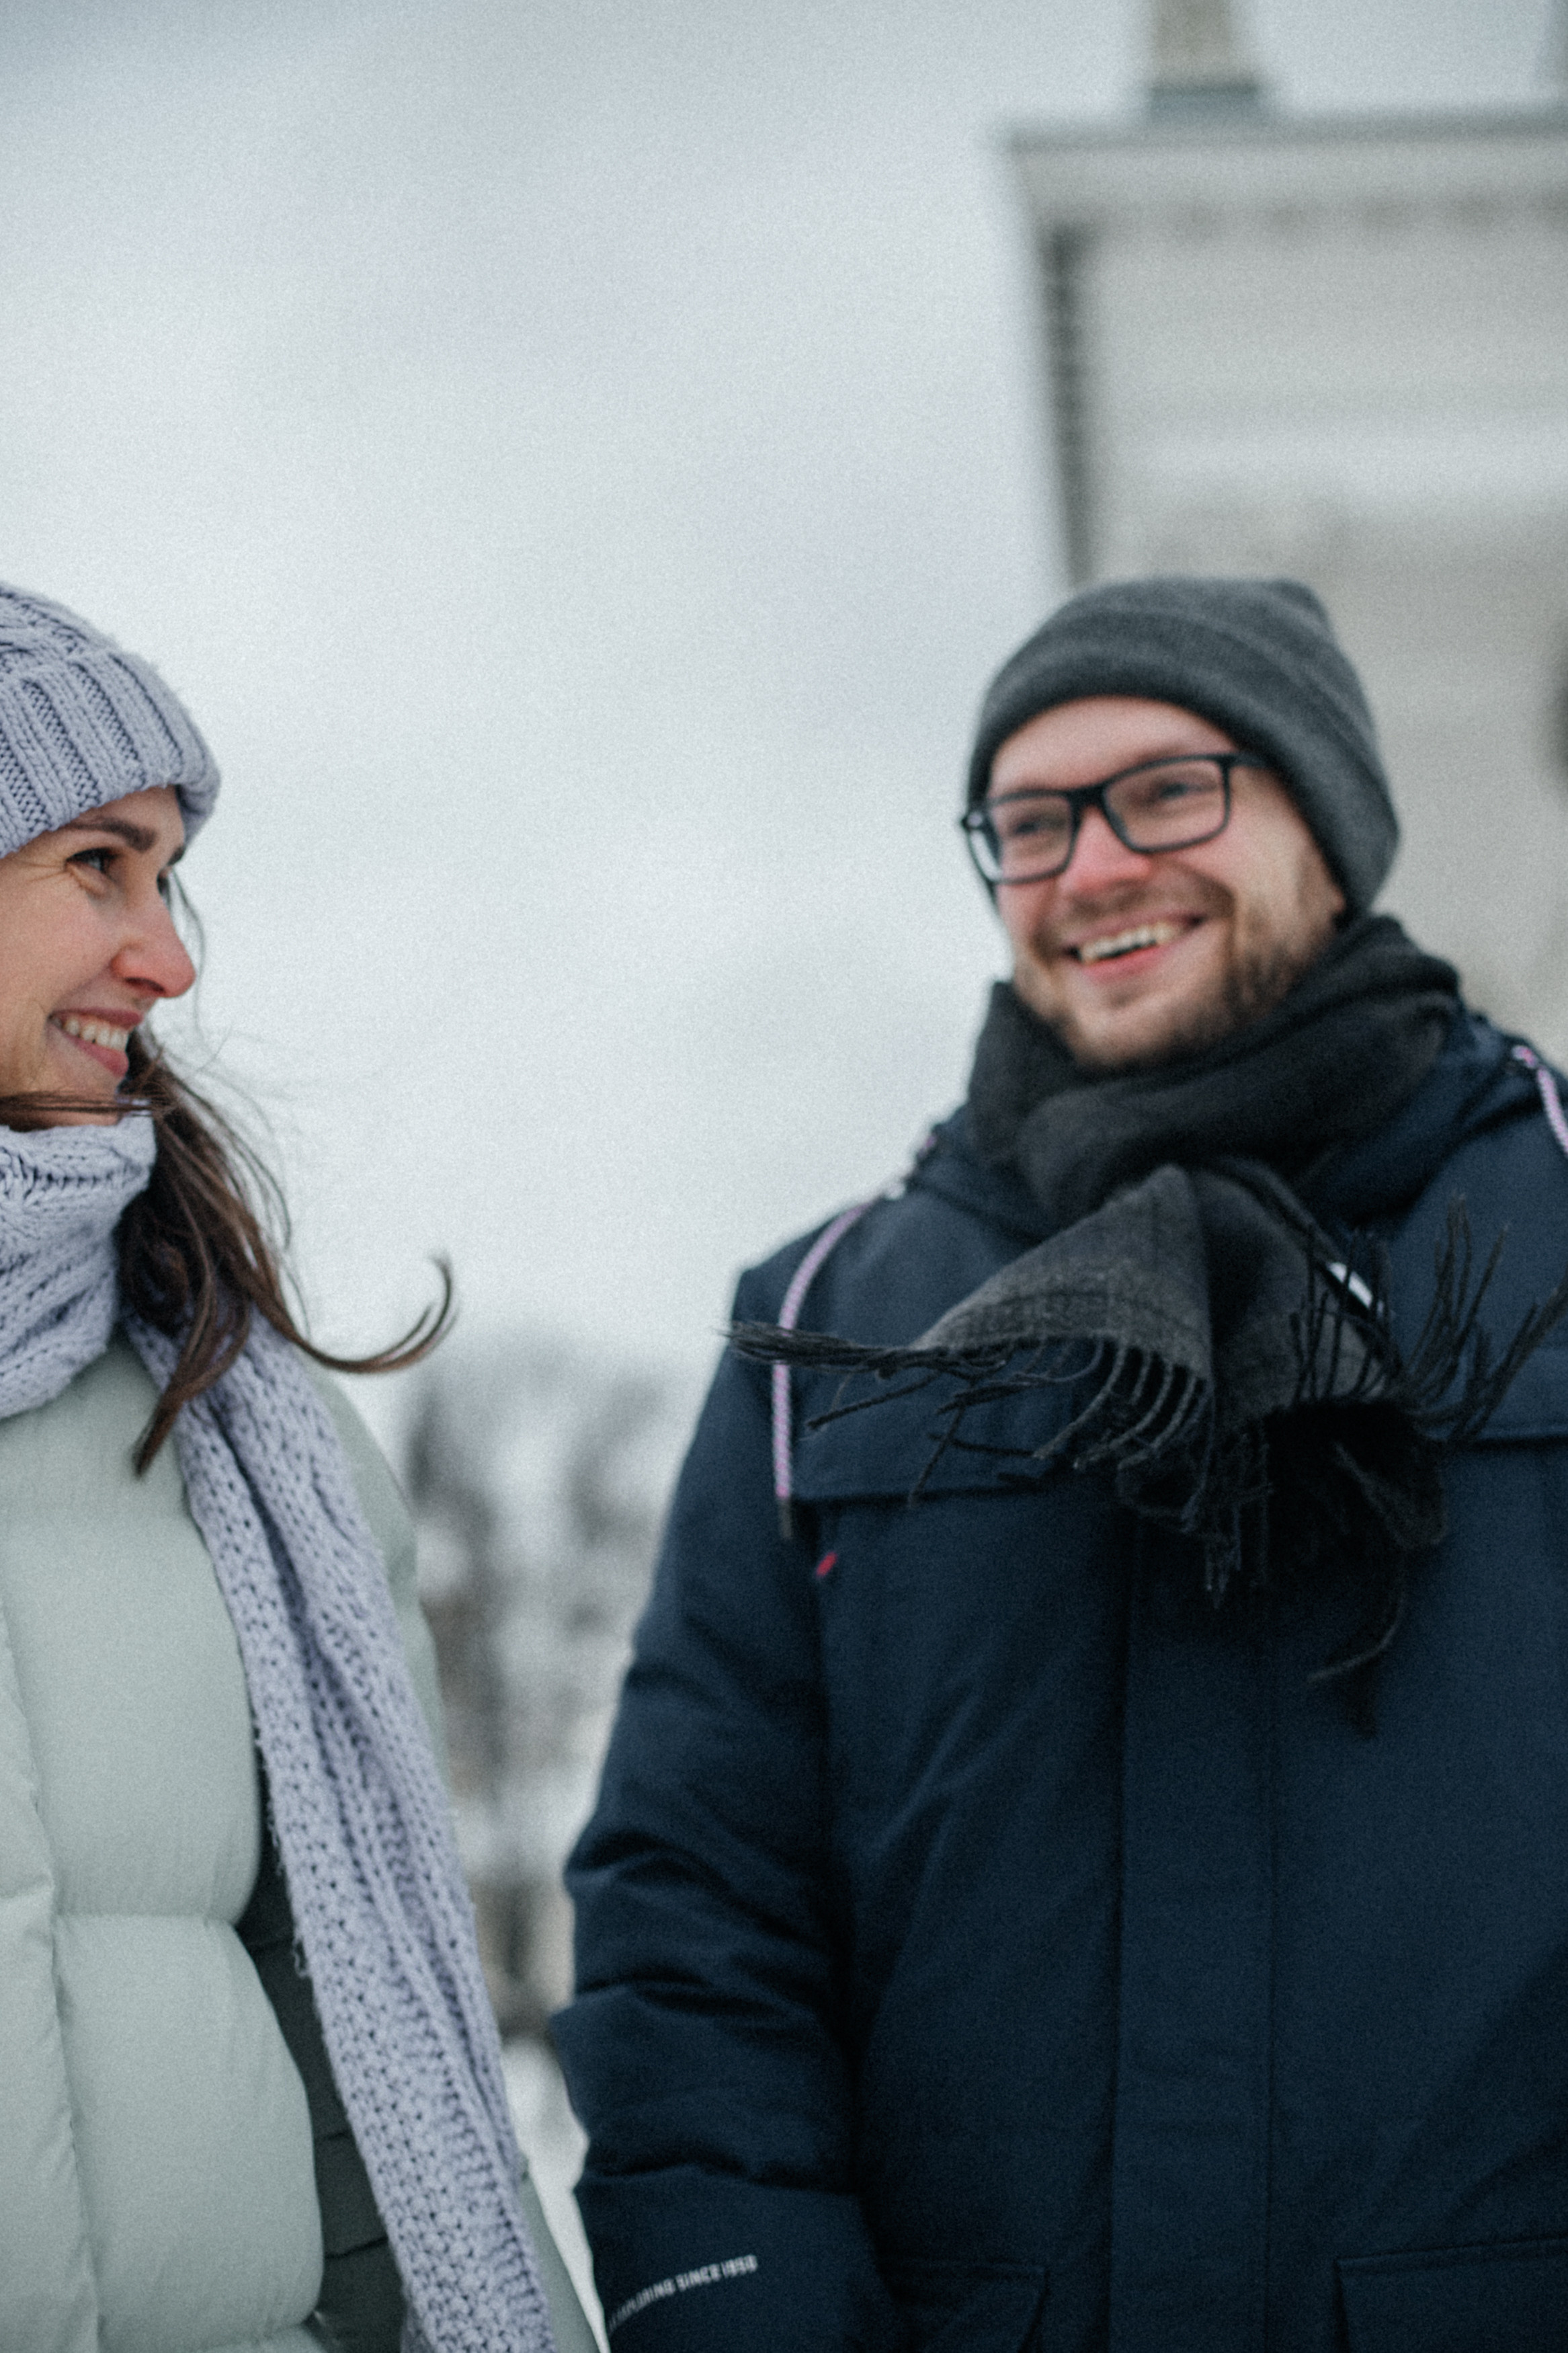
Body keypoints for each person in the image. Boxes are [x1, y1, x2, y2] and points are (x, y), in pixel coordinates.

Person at [556, 575, 1568, 2353]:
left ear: (1331, 824)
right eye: (1029, 823)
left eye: (1168, 789)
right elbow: (698, 1911)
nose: (1092, 865)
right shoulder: (828, 1322)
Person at [0, 584, 597, 2353]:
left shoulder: (242, 1425)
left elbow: (382, 2085)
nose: (169, 955)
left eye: (165, 877)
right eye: (98, 867)